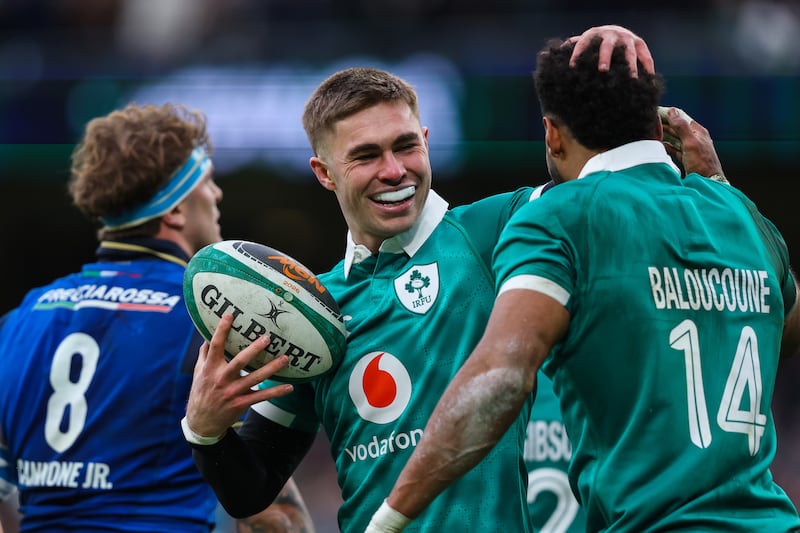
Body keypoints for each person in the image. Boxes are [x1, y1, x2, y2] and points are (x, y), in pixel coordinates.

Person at [182, 25, 724, 533]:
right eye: (366, 156)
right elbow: (250, 489)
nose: (394, 171)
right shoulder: (314, 312)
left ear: (425, 138)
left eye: (406, 146)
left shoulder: (500, 227)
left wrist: (617, 64)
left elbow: (605, 178)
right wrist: (206, 430)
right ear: (324, 173)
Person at [365, 36, 800, 532]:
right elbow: (782, 330)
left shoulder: (561, 215)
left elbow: (501, 377)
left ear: (552, 134)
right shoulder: (739, 213)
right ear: (658, 127)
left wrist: (387, 521)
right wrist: (721, 185)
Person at [0, 103, 312, 532]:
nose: (217, 194)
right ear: (175, 211)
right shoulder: (211, 324)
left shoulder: (17, 322)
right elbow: (267, 510)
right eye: (207, 181)